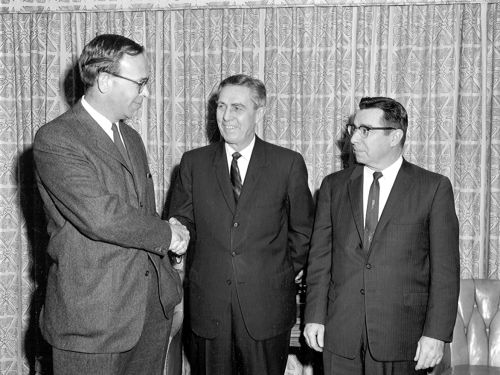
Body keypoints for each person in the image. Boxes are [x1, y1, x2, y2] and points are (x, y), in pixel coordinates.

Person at [33, 34, 189, 375]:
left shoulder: (130, 138)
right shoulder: (57, 138)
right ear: (104, 80)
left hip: (146, 314)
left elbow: (142, 213)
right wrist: (168, 234)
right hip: (93, 324)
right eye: (141, 83)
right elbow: (101, 217)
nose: (146, 93)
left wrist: (170, 290)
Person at [169, 74, 315, 375]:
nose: (225, 116)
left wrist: (278, 270)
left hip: (266, 307)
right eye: (221, 106)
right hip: (209, 307)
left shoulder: (287, 163)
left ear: (258, 111)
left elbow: (303, 231)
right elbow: (181, 224)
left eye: (237, 107)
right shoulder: (193, 163)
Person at [303, 97, 460, 375]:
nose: (353, 138)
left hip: (402, 337)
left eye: (365, 130)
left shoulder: (433, 188)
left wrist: (436, 335)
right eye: (353, 128)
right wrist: (314, 317)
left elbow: (445, 272)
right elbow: (320, 259)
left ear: (394, 136)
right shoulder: (333, 187)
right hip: (340, 336)